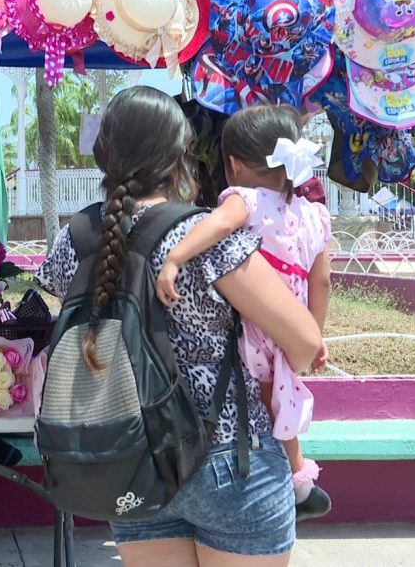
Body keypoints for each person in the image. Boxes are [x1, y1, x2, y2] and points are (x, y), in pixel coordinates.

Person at [35, 87, 322, 567]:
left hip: (133, 458)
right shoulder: (202, 234)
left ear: (104, 152)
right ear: (179, 156)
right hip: (231, 458)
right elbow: (306, 342)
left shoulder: (76, 238)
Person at [156, 105, 333, 522]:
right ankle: (299, 479)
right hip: (292, 319)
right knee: (279, 391)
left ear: (233, 165)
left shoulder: (245, 199)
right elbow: (321, 280)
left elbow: (215, 226)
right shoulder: (315, 214)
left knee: (260, 394)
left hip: (256, 319)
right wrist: (312, 334)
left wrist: (176, 258)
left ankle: (293, 478)